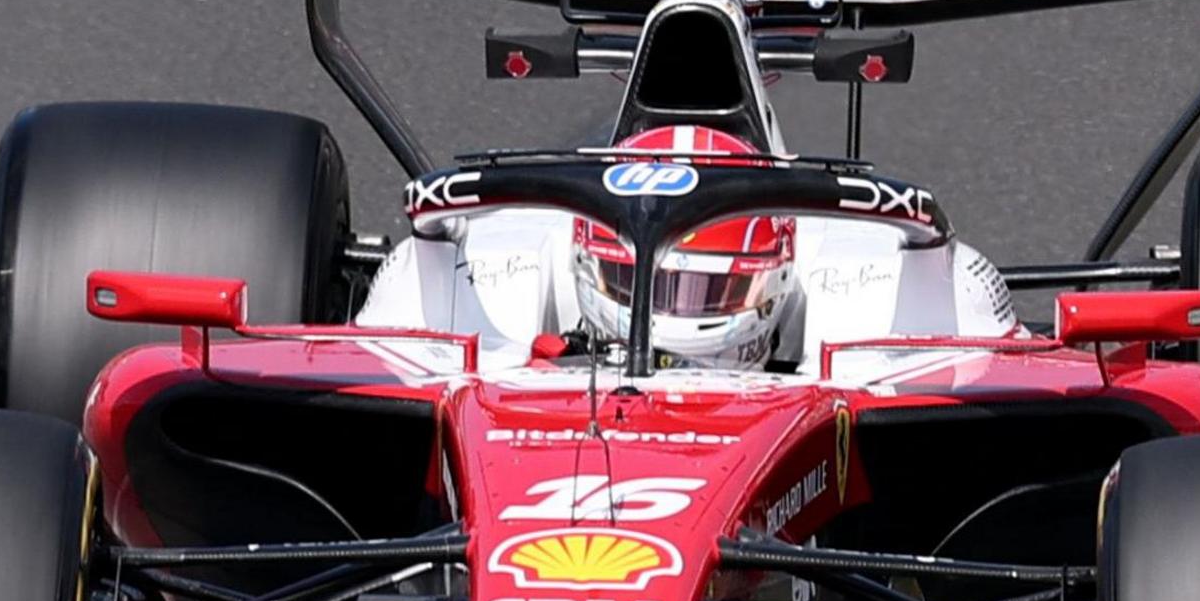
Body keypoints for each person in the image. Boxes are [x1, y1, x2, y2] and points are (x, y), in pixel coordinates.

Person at [353, 126, 1019, 372]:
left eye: (707, 292)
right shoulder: (499, 276)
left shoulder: (870, 282)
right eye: (650, 287)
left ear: (777, 279)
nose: (674, 319)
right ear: (585, 268)